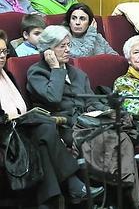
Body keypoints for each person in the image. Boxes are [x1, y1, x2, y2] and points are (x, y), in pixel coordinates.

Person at [0, 29, 104, 207]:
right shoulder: (37, 72)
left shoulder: (7, 76)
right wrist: (56, 68)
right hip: (6, 133)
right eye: (62, 46)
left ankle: (55, 200)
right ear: (48, 50)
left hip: (21, 128)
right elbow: (53, 99)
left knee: (42, 139)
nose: (2, 56)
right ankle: (73, 186)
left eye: (4, 51)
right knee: (46, 128)